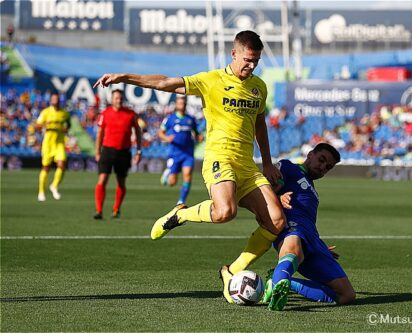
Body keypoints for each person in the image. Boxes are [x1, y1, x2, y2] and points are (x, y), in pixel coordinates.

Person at [93, 30, 286, 303]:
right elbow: (164, 83)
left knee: (277, 221)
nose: (251, 65)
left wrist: (267, 162)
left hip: (247, 164)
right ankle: (180, 215)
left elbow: (259, 123)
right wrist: (124, 77)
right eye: (247, 59)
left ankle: (231, 272)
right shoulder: (211, 80)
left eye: (256, 61)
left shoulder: (259, 87)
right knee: (225, 212)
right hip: (220, 157)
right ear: (233, 54)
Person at [260, 143, 355, 311]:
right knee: (294, 246)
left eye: (328, 167)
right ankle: (280, 280)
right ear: (310, 154)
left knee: (347, 295)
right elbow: (261, 188)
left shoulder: (313, 191)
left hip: (313, 239)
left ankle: (284, 283)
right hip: (291, 228)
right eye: (321, 160)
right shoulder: (288, 167)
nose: (323, 167)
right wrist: (277, 198)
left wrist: (320, 245)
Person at [94, 89, 142, 219]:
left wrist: (139, 151)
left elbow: (138, 132)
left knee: (121, 182)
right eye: (116, 98)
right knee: (102, 180)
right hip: (107, 151)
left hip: (124, 152)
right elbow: (100, 134)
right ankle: (99, 211)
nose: (119, 100)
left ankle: (116, 209)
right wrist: (97, 151)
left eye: (120, 98)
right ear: (112, 99)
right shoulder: (105, 114)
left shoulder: (131, 114)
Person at [159, 95, 203, 205]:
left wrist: (199, 137)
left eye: (183, 103)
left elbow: (196, 133)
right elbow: (160, 132)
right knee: (172, 183)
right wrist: (166, 138)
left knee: (187, 175)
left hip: (188, 153)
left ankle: (181, 201)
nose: (182, 105)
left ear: (185, 105)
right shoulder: (170, 119)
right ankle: (168, 172)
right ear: (176, 105)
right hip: (175, 153)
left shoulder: (190, 119)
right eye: (179, 103)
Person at [35, 92, 71, 202]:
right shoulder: (45, 112)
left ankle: (54, 186)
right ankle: (41, 191)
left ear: (59, 100)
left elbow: (68, 124)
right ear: (51, 100)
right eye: (53, 98)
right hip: (48, 143)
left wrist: (66, 129)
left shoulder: (64, 113)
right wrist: (45, 125)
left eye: (57, 98)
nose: (55, 100)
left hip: (59, 142)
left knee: (62, 163)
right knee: (46, 167)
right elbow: (37, 125)